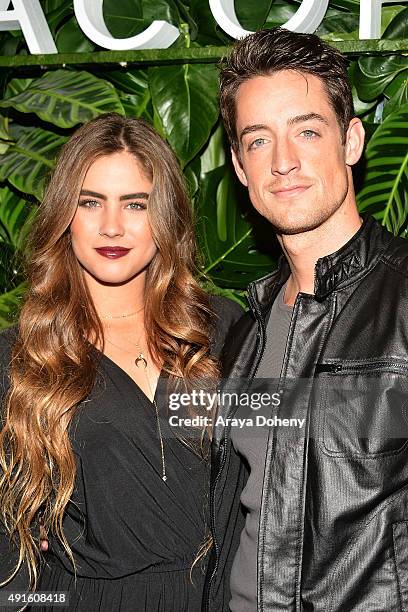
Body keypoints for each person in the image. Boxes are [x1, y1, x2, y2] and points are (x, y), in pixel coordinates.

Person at [0, 113, 242, 611]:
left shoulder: (224, 328)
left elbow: (297, 455)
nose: (112, 226)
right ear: (65, 214)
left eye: (136, 204)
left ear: (166, 215)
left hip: (220, 599)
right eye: (90, 202)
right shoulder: (21, 355)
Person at [203, 27, 408, 612]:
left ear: (352, 141)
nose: (284, 162)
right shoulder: (246, 330)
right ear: (241, 168)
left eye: (307, 131)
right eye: (259, 141)